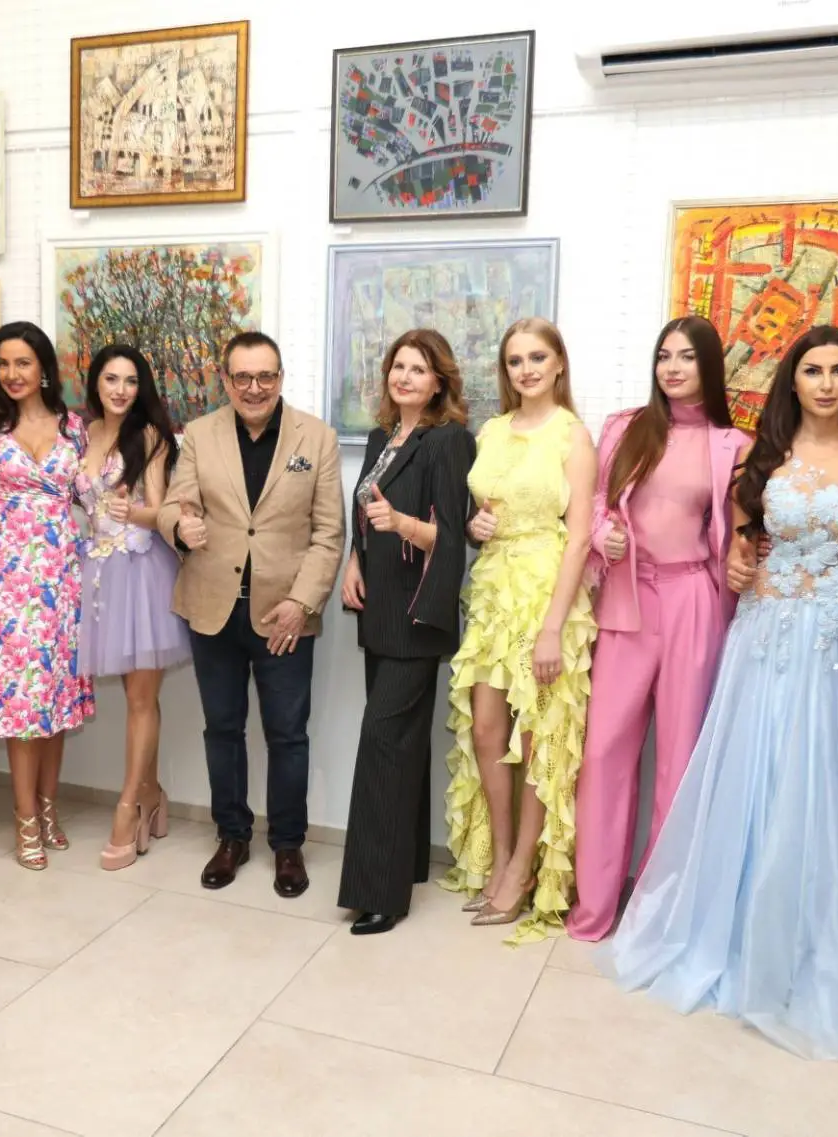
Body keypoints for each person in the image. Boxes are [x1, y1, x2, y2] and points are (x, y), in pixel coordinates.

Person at [599, 325, 838, 1062]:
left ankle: (814, 940)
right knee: (752, 778)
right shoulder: (759, 454)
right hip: (764, 638)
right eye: (812, 370)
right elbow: (737, 543)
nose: (825, 383)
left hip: (837, 641)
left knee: (823, 784)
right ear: (792, 379)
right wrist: (739, 564)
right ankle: (730, 931)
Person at [568, 316, 747, 941]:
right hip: (626, 598)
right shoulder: (625, 427)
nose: (672, 367)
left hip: (694, 600)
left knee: (679, 759)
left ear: (709, 366)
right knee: (603, 752)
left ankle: (655, 913)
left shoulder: (732, 444)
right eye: (665, 356)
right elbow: (592, 502)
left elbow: (737, 534)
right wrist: (602, 534)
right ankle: (594, 907)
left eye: (687, 357)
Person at [157, 331, 344, 898]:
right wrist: (180, 527)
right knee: (223, 729)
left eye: (265, 376)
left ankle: (287, 845)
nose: (254, 387)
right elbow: (173, 506)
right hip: (213, 607)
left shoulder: (317, 437)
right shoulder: (199, 434)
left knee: (288, 735)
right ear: (227, 380)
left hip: (286, 615)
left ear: (280, 377)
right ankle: (232, 837)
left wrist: (301, 603)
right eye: (243, 377)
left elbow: (329, 534)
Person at [438, 317, 598, 944]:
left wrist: (554, 628)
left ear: (558, 364)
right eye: (515, 361)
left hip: (546, 591)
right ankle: (501, 855)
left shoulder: (572, 435)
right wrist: (476, 526)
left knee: (535, 738)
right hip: (492, 591)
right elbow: (483, 509)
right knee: (485, 730)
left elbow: (579, 536)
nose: (526, 370)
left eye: (536, 358)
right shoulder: (493, 430)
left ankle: (524, 868)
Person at [336, 330, 475, 935]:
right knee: (402, 745)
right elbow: (364, 515)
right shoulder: (380, 438)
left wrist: (403, 524)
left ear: (439, 381)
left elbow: (452, 537)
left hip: (418, 616)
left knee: (383, 746)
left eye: (418, 369)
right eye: (398, 366)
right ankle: (408, 864)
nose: (405, 377)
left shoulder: (449, 441)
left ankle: (380, 894)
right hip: (379, 613)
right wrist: (355, 560)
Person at [0, 321, 93, 870]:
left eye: (23, 363)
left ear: (43, 369)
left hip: (63, 575)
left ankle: (48, 806)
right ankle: (25, 819)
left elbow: (88, 494)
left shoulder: (73, 427)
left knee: (56, 699)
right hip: (8, 580)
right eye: (4, 364)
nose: (12, 374)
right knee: (20, 704)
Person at [75, 344, 189, 870]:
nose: (120, 390)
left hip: (142, 570)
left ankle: (127, 809)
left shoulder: (151, 436)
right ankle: (152, 794)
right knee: (134, 695)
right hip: (99, 574)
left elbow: (162, 512)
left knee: (142, 698)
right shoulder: (82, 433)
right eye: (111, 379)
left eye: (130, 381)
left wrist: (132, 510)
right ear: (96, 383)